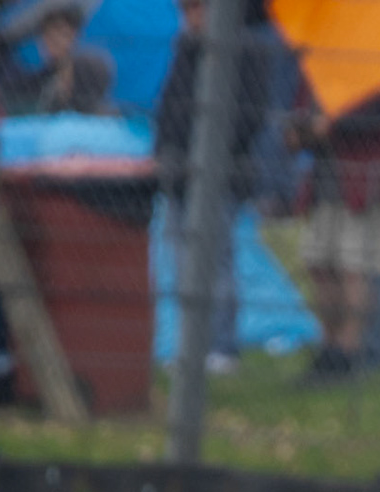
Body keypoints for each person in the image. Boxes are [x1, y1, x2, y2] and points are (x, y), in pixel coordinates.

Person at [287, 74, 380, 383]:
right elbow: (303, 110)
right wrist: (300, 130)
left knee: (355, 266)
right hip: (327, 182)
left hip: (371, 183)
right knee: (319, 263)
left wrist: (333, 124)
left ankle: (350, 352)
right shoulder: (323, 62)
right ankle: (329, 348)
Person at [154, 0, 269, 376]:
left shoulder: (245, 50)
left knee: (216, 263)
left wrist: (207, 153)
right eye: (186, 10)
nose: (190, 18)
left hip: (220, 178)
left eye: (197, 9)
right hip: (179, 179)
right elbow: (169, 107)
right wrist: (166, 155)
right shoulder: (186, 50)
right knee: (182, 266)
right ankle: (190, 346)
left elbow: (249, 116)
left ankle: (221, 346)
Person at [1, 3, 113, 116]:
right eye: (52, 34)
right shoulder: (28, 69)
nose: (60, 41)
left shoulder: (81, 68)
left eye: (66, 35)